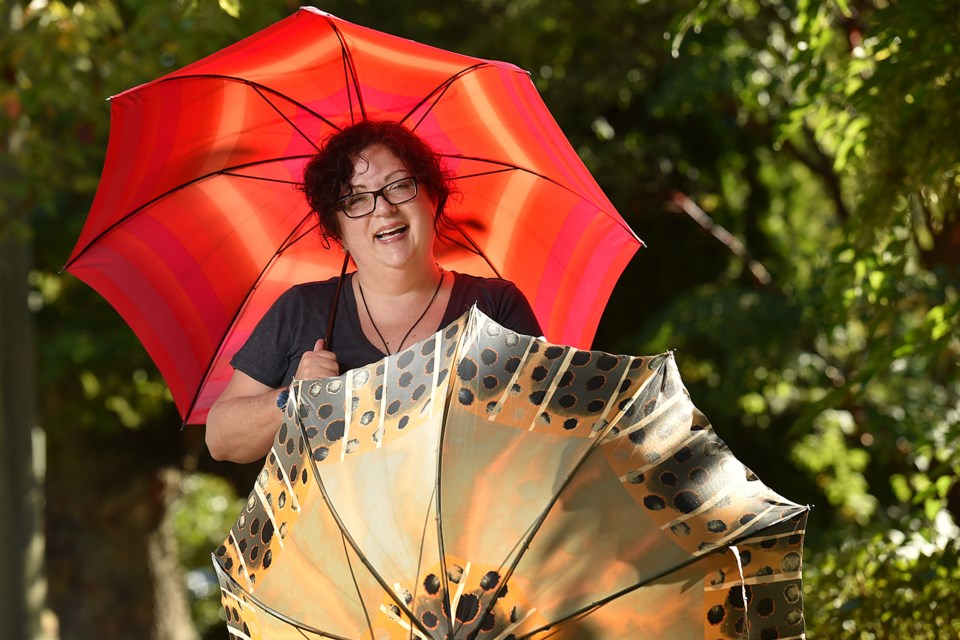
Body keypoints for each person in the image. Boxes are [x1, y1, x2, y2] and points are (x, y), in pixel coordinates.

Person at [206, 121, 542, 462]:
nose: (383, 208)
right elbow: (221, 440)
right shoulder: (303, 309)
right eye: (356, 199)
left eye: (398, 186)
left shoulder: (495, 306)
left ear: (433, 197)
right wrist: (295, 396)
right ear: (337, 228)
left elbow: (543, 431)